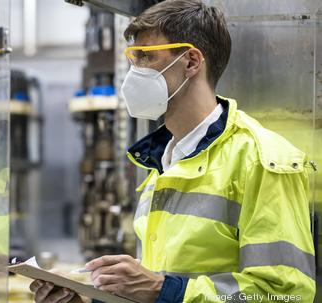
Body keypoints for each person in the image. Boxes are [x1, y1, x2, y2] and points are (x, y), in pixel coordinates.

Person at [30, 0, 316, 302]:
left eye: (145, 57)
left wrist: (162, 289)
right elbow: (159, 283)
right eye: (133, 58)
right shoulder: (164, 160)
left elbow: (285, 295)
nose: (133, 72)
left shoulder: (261, 160)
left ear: (191, 61)